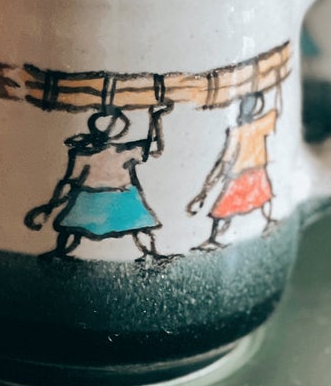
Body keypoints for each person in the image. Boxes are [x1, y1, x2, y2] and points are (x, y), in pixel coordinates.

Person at [25, 104, 171, 262]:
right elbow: (155, 147)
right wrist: (155, 120)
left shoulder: (113, 153)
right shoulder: (120, 152)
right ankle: (152, 254)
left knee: (72, 229)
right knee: (141, 229)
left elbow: (68, 182)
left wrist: (155, 119)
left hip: (113, 199)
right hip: (104, 199)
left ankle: (60, 253)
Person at [187, 91, 280, 249]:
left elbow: (224, 160)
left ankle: (268, 220)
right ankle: (214, 236)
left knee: (262, 197)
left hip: (251, 172)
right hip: (244, 173)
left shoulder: (250, 128)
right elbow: (225, 159)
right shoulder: (246, 130)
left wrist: (208, 185)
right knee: (227, 206)